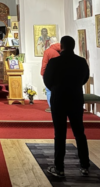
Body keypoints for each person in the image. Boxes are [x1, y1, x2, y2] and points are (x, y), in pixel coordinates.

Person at [43, 36, 90, 178]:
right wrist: (74, 86)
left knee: (60, 133)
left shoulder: (55, 62)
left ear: (61, 46)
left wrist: (57, 88)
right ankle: (85, 166)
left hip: (59, 99)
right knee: (79, 132)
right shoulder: (81, 62)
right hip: (75, 98)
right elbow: (85, 78)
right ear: (74, 46)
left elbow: (47, 80)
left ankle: (59, 168)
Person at [40, 37, 61, 113]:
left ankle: (52, 107)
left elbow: (44, 64)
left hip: (51, 74)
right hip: (61, 74)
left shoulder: (48, 51)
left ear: (49, 42)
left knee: (49, 90)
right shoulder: (62, 49)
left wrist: (43, 73)